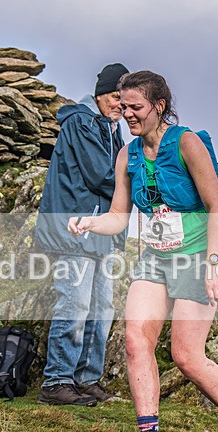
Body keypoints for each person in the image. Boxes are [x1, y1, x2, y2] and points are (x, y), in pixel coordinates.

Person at [68, 70, 218, 432]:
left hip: (197, 256)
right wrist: (90, 223)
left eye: (136, 107)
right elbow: (118, 217)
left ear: (159, 106)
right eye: (123, 107)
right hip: (155, 259)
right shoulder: (128, 155)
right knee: (134, 338)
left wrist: (214, 264)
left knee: (186, 356)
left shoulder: (188, 143)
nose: (128, 115)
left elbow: (217, 205)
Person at [34, 63, 129, 406]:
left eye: (128, 100)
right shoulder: (81, 123)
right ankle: (56, 381)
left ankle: (86, 379)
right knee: (75, 304)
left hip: (100, 234)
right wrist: (149, 173)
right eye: (118, 97)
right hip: (76, 231)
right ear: (102, 94)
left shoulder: (109, 128)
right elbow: (102, 175)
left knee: (101, 306)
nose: (123, 106)